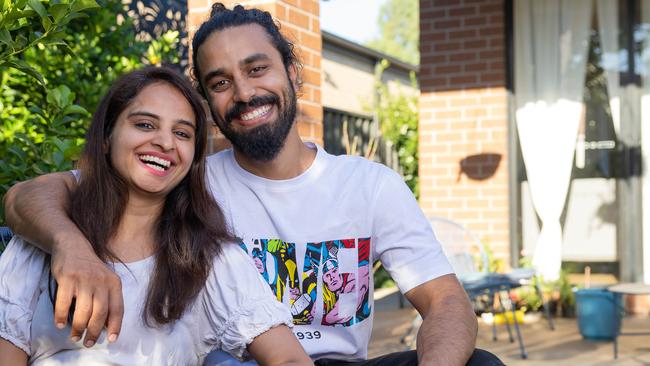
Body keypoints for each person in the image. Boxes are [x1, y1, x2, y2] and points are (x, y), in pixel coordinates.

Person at [4, 4, 505, 366]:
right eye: (220, 82)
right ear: (209, 102)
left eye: (257, 68)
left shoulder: (370, 185)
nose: (243, 93)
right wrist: (69, 244)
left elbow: (445, 302)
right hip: (235, 361)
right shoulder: (182, 180)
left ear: (291, 70)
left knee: (479, 365)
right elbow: (28, 196)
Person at [0, 67, 312, 365]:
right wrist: (72, 249)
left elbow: (290, 358)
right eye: (145, 125)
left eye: (182, 133)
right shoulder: (46, 235)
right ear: (107, 137)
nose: (165, 142)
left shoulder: (208, 258)